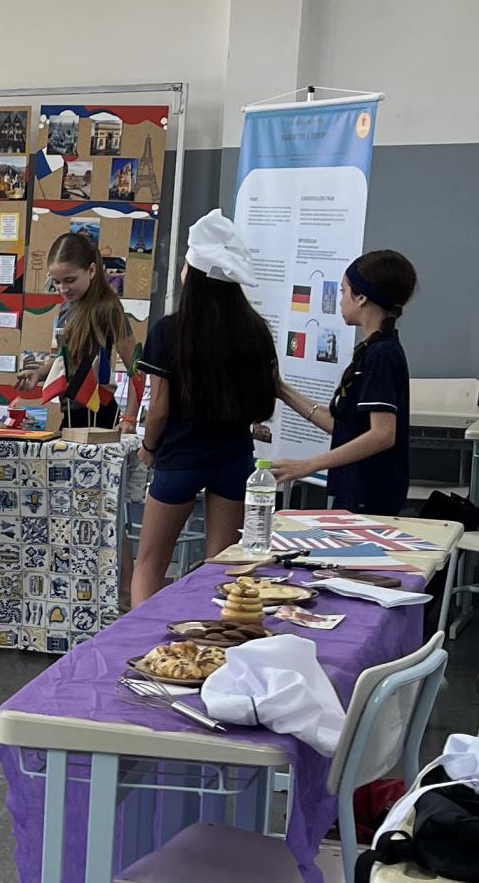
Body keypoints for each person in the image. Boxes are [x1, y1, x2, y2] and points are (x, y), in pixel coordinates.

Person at [130, 209, 280, 605]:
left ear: (193, 275)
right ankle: (216, 637)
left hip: (179, 458)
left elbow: (159, 409)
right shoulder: (255, 331)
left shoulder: (169, 331)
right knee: (224, 569)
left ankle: (142, 638)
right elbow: (264, 400)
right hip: (234, 459)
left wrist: (148, 447)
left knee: (149, 564)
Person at [271, 249, 417, 513]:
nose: (339, 301)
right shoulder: (374, 350)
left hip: (371, 493)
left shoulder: (382, 355)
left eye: (343, 291)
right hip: (357, 489)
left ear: (361, 297)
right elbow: (345, 428)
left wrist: (308, 465)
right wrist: (281, 390)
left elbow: (382, 435)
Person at [43, 229, 139, 434]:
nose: (63, 288)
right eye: (56, 282)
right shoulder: (66, 307)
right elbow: (65, 358)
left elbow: (136, 366)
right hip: (72, 411)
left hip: (99, 412)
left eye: (70, 280)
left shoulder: (108, 308)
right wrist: (37, 374)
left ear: (92, 270)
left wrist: (130, 418)